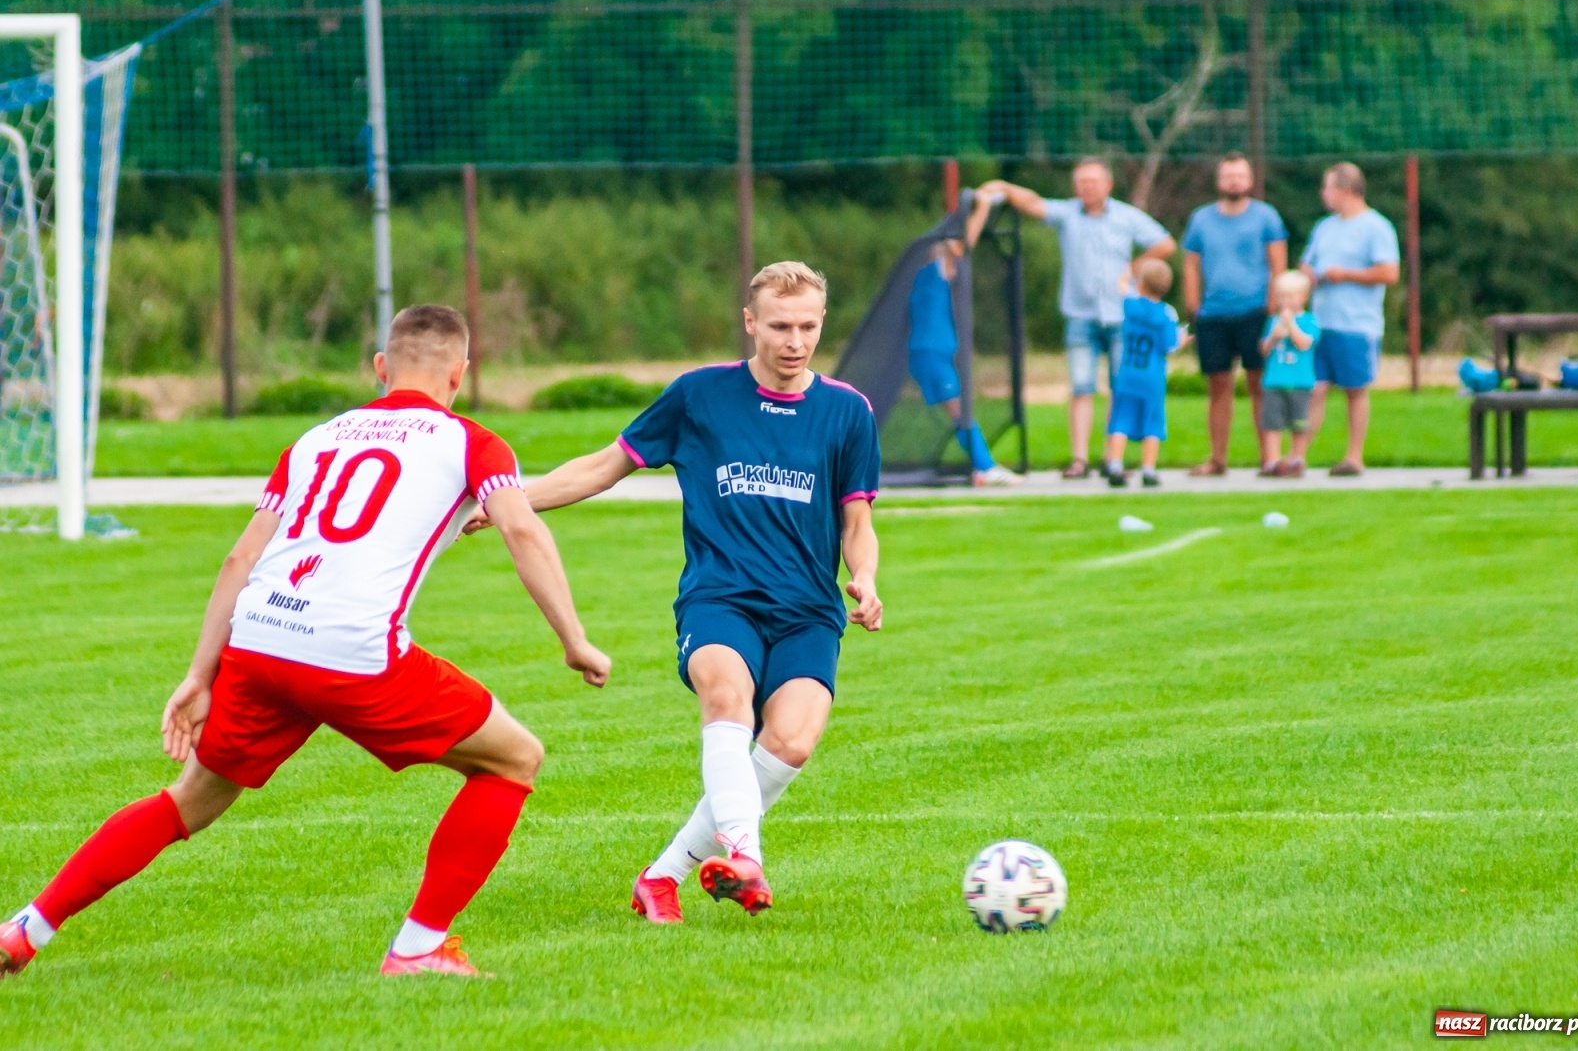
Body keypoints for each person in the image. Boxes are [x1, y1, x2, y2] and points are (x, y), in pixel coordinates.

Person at [0, 305, 612, 982]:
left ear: (381, 368)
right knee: (514, 760)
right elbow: (524, 532)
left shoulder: (317, 438)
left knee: (186, 801)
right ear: (460, 374)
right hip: (353, 651)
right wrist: (575, 639)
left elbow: (240, 559)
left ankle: (26, 929)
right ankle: (417, 949)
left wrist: (200, 673)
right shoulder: (472, 441)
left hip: (260, 640)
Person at [472, 262, 881, 924]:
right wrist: (508, 499)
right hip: (720, 598)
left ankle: (660, 878)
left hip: (809, 609)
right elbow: (605, 467)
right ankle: (744, 856)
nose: (794, 340)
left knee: (792, 745)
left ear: (822, 322)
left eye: (808, 326)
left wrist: (863, 576)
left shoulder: (847, 412)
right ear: (751, 323)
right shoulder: (698, 397)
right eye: (780, 326)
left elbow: (857, 521)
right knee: (728, 698)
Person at [979, 161, 1175, 479]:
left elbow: (1165, 243)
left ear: (1108, 185)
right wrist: (1003, 186)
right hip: (1080, 314)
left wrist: (1134, 268)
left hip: (1119, 315)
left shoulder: (1126, 217)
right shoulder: (1068, 215)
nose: (1087, 187)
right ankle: (1080, 460)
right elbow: (1033, 204)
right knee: (1082, 387)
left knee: (1119, 387)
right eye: (1082, 181)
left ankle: (1114, 459)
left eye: (1094, 181)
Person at [1180, 151, 1289, 476]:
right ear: (1219, 180)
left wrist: (1274, 305)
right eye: (1228, 176)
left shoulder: (1266, 217)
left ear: (1250, 179)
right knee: (1218, 387)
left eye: (1240, 175)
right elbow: (1190, 263)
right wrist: (1194, 305)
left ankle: (1269, 457)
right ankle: (1217, 459)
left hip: (1255, 312)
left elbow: (1278, 263)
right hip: (1213, 314)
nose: (1234, 181)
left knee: (1259, 385)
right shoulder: (1201, 219)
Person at [907, 193, 1020, 486]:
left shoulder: (931, 278)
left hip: (935, 354)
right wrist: (982, 206)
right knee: (960, 411)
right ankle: (985, 467)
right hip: (930, 354)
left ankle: (980, 468)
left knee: (959, 411)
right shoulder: (932, 272)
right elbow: (964, 246)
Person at [1299, 162, 1400, 476]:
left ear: (1346, 190)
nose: (1323, 194)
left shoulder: (1376, 227)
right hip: (1321, 321)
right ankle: (1296, 456)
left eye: (1327, 187)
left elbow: (1389, 272)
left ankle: (1354, 457)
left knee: (1354, 389)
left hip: (1356, 323)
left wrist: (1346, 275)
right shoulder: (1324, 227)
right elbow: (1307, 263)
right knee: (1314, 388)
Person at [1104, 260, 1188, 488]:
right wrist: (1182, 340)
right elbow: (1169, 345)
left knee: (1120, 419)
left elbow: (1122, 289)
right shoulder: (1166, 315)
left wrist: (1124, 275)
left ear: (1141, 284)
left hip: (1128, 374)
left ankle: (1114, 465)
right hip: (1152, 378)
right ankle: (1148, 469)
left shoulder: (1130, 306)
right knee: (1153, 422)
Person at [1257, 271, 1322, 478]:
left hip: (1300, 382)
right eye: (1281, 297)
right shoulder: (1272, 321)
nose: (1285, 302)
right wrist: (1274, 336)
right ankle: (1273, 460)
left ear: (1303, 297)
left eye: (1290, 296)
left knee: (1299, 423)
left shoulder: (1309, 321)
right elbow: (1263, 350)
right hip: (1274, 381)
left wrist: (1291, 325)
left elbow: (1304, 344)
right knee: (1272, 423)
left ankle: (1297, 458)